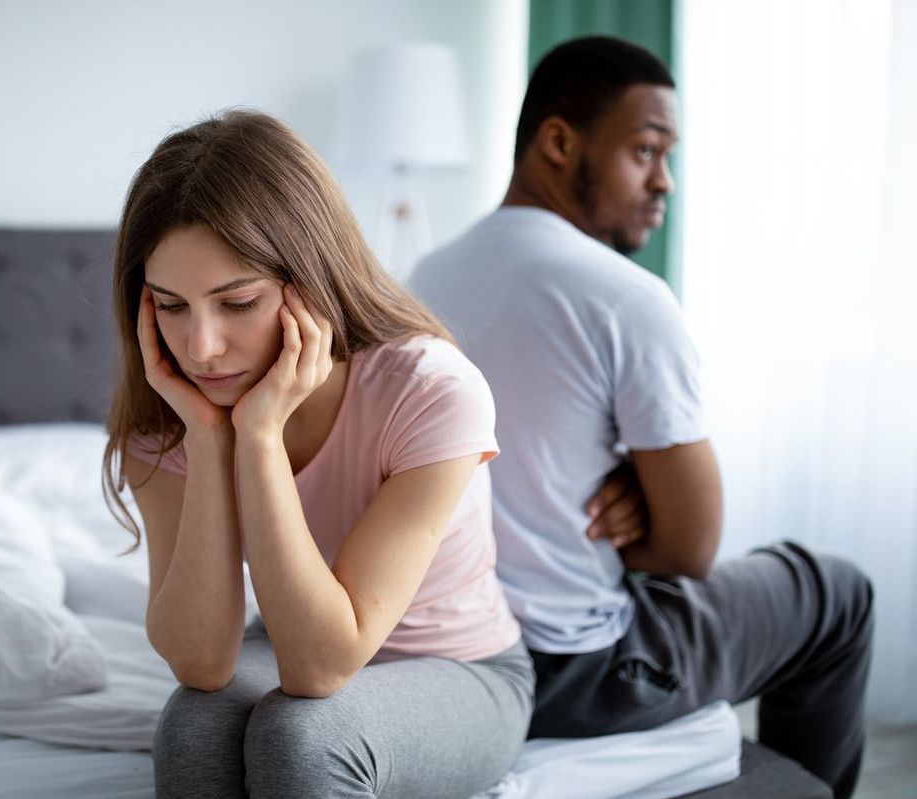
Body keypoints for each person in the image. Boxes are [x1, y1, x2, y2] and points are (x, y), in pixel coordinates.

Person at [410, 36, 874, 799]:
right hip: (580, 670)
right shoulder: (624, 297)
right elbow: (688, 548)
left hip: (454, 658)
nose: (665, 182)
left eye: (668, 156)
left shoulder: (424, 276)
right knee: (839, 593)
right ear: (558, 141)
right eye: (645, 150)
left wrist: (610, 476)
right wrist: (641, 488)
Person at [101, 110, 533, 799]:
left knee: (303, 739)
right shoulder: (166, 414)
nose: (201, 345)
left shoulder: (430, 392)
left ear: (308, 279)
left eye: (236, 301)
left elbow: (319, 669)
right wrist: (211, 441)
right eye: (170, 305)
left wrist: (263, 437)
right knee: (193, 726)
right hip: (286, 633)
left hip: (460, 666)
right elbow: (201, 660)